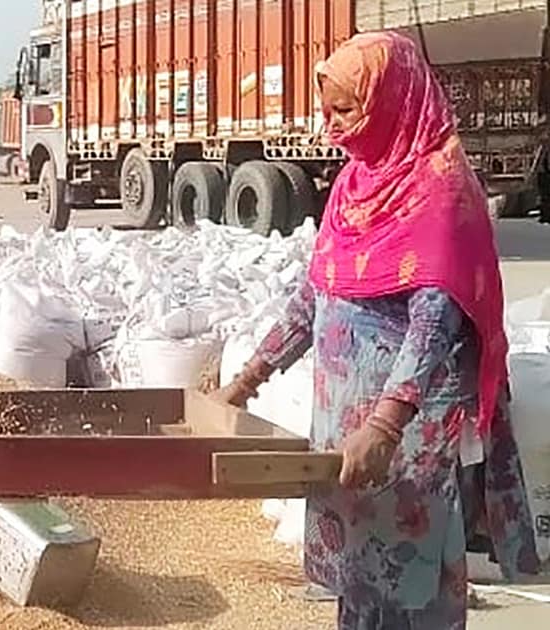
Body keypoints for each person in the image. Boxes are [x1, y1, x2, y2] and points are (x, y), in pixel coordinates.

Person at [216, 33, 540, 629]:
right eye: (328, 111)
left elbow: (436, 317)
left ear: (393, 99)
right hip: (345, 429)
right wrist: (246, 379)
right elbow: (317, 290)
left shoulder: (440, 188)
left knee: (412, 592)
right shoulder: (354, 183)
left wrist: (386, 424)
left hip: (407, 437)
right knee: (358, 590)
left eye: (347, 110)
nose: (333, 126)